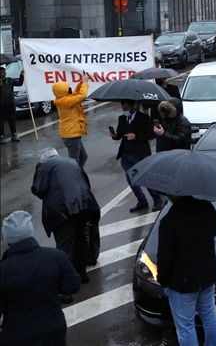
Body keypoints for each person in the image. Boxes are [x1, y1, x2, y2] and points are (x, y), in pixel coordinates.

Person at [1, 210, 82, 344]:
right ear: (30, 232)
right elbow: (73, 285)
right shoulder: (56, 257)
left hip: (17, 337)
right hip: (53, 331)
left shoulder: (3, 270)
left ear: (8, 240)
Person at [31, 148, 100, 289]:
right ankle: (82, 274)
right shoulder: (73, 162)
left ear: (44, 158)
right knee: (80, 240)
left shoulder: (44, 165)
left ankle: (66, 284)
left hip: (62, 210)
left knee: (65, 246)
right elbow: (85, 182)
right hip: (84, 205)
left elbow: (38, 189)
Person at [157, 195, 216, 346]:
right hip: (207, 275)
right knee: (210, 315)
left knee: (186, 327)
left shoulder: (169, 220)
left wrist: (163, 280)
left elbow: (164, 258)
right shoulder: (206, 207)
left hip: (182, 283)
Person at [111, 99, 162, 212]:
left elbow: (151, 134)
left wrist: (136, 136)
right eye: (123, 109)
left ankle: (157, 199)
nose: (124, 111)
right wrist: (115, 135)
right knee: (131, 180)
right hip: (126, 154)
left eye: (126, 108)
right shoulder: (122, 118)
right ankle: (142, 200)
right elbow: (120, 134)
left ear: (133, 106)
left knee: (145, 178)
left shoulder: (144, 118)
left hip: (139, 154)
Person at [53, 73, 90, 167]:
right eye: (67, 88)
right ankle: (73, 174)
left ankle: (77, 173)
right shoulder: (66, 101)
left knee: (83, 157)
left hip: (73, 133)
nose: (70, 89)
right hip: (71, 134)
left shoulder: (64, 98)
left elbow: (75, 93)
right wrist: (85, 83)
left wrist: (81, 83)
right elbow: (81, 96)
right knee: (74, 162)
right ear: (63, 91)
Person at [0, 65, 24, 144]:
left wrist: (21, 75)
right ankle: (2, 136)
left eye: (4, 72)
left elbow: (19, 83)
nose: (2, 74)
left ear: (6, 73)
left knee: (12, 120)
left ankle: (14, 134)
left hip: (10, 104)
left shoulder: (10, 80)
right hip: (1, 105)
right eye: (1, 73)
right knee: (1, 121)